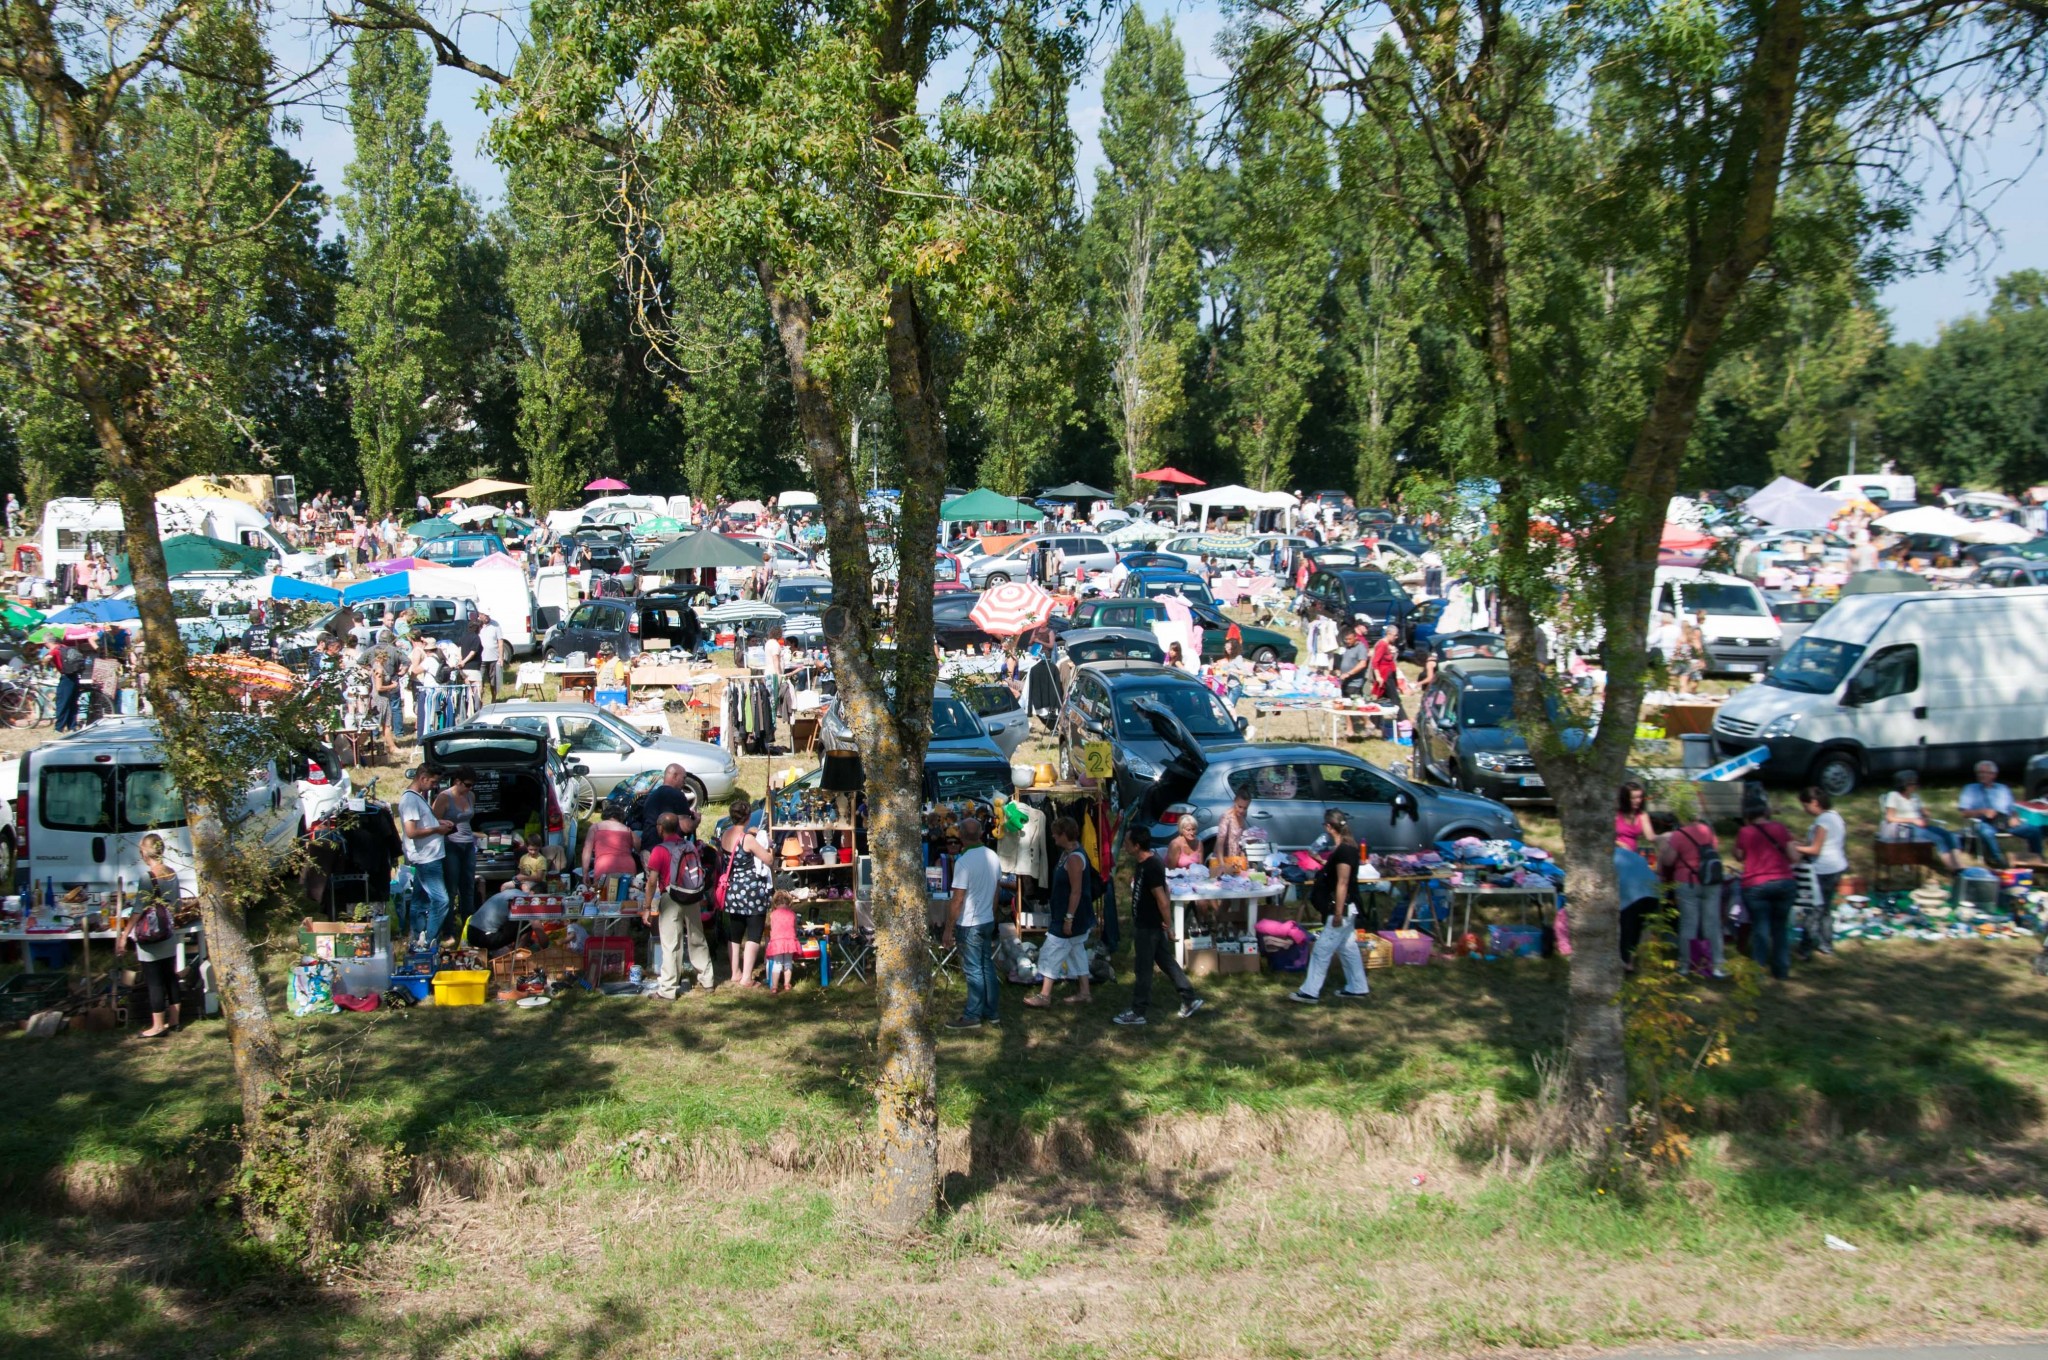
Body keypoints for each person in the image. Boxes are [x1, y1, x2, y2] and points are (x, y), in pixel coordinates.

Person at [1113, 825, 1204, 1025]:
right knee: (1167, 962)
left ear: (1137, 846)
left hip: (1149, 926)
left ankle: (1138, 1011)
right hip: (1147, 924)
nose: (1125, 846)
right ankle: (1189, 998)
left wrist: (1168, 926)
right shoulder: (1145, 862)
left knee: (1143, 969)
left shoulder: (1152, 865)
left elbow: (1163, 899)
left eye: (1127, 843)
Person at [1288, 810, 1372, 1003]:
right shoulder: (1345, 849)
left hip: (1342, 908)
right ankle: (1357, 986)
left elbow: (1342, 883)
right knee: (1347, 948)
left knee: (1321, 950)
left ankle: (1310, 991)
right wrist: (1321, 861)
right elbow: (1338, 872)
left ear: (1328, 827)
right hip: (1347, 908)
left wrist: (1337, 913)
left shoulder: (1344, 851)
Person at [117, 833, 184, 1037]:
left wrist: (124, 935)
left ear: (145, 852)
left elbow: (138, 909)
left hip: (151, 935)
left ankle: (157, 1026)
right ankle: (174, 1021)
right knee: (170, 977)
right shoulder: (171, 873)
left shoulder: (148, 877)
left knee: (154, 981)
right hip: (168, 932)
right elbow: (178, 904)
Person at [643, 809, 715, 997]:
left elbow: (652, 881)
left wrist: (647, 906)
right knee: (697, 937)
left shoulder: (659, 850)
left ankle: (668, 989)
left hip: (671, 897)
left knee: (671, 943)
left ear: (660, 828)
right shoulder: (689, 846)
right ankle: (707, 979)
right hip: (692, 895)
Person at [1026, 818, 1094, 1008]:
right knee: (1077, 951)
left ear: (1064, 835)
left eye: (1056, 833)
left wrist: (1069, 919)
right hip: (1068, 913)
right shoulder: (1068, 853)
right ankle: (1085, 992)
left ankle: (1045, 995)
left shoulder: (1074, 859)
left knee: (1051, 951)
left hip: (1071, 915)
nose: (1053, 836)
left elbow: (1076, 891)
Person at [942, 817, 1002, 1030]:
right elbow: (997, 890)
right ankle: (991, 1011)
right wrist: (992, 914)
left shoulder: (964, 862)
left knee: (974, 970)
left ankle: (973, 1014)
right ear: (980, 834)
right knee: (986, 967)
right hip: (986, 918)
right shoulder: (992, 856)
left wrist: (948, 929)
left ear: (961, 837)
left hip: (970, 922)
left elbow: (957, 899)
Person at [1658, 807, 1727, 978]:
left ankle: (1685, 965)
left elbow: (1668, 860)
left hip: (1687, 882)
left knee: (1689, 923)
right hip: (1710, 880)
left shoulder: (1679, 835)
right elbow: (1715, 850)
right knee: (1712, 923)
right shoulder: (1707, 830)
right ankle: (1717, 965)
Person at [1736, 797, 1800, 981]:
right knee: (1780, 927)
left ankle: (1758, 971)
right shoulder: (1780, 828)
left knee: (1760, 927)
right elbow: (1793, 856)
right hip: (1784, 882)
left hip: (1756, 885)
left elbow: (1739, 856)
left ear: (1747, 814)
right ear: (1765, 812)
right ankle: (1781, 969)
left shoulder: (1744, 832)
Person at [398, 765, 454, 950]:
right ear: (422, 777)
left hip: (430, 856)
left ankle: (417, 939)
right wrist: (437, 829)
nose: (434, 786)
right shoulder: (410, 800)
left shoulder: (418, 798)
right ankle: (430, 940)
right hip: (426, 859)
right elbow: (412, 831)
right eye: (433, 782)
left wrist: (438, 823)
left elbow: (423, 824)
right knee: (441, 900)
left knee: (420, 901)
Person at [719, 810, 774, 986]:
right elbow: (767, 859)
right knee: (754, 934)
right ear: (748, 817)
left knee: (735, 933)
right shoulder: (747, 840)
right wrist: (770, 848)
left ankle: (735, 972)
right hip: (752, 892)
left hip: (733, 891)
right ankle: (746, 978)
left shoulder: (725, 835)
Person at [1793, 787, 1847, 959]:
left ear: (1814, 803)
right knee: (1825, 909)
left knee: (1813, 910)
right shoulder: (1835, 817)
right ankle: (1826, 944)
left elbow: (1815, 849)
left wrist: (1795, 847)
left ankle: (1805, 949)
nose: (1804, 809)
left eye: (1805, 805)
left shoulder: (1822, 821)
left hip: (1822, 870)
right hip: (1836, 866)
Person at [1958, 760, 2046, 865]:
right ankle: (1999, 860)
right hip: (1983, 821)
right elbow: (1964, 813)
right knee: (1986, 832)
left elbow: (2012, 809)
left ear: (1994, 775)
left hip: (2005, 821)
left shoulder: (2002, 789)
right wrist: (1982, 811)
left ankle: (2037, 859)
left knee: (2034, 830)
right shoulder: (1970, 789)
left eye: (1986, 773)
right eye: (1980, 773)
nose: (1982, 775)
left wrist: (2014, 817)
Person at [1879, 768, 1962, 872]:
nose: (1915, 786)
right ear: (1904, 785)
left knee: (1951, 836)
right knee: (1938, 839)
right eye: (1912, 784)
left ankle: (1958, 864)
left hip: (1920, 825)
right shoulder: (1893, 796)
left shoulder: (1915, 796)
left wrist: (1926, 817)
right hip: (1905, 828)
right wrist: (1913, 820)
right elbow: (1890, 817)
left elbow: (1924, 811)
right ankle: (1953, 869)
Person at [1616, 823, 1667, 971]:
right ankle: (1632, 961)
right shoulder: (1632, 855)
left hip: (1633, 895)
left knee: (1627, 928)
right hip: (1653, 893)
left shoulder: (1608, 859)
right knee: (1637, 927)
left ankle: (1625, 963)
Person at [433, 766, 480, 930]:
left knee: (468, 886)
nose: (470, 788)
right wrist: (443, 823)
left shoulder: (470, 796)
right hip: (451, 844)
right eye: (467, 785)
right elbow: (432, 820)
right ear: (457, 782)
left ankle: (469, 927)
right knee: (451, 888)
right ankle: (448, 929)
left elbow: (468, 818)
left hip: (468, 844)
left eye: (472, 785)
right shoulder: (444, 797)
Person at [638, 764, 696, 851]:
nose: (684, 782)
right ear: (675, 776)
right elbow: (686, 827)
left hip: (647, 848)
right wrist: (697, 820)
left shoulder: (652, 796)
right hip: (666, 851)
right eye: (683, 778)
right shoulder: (677, 795)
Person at [582, 804, 641, 883]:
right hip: (628, 868)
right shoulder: (627, 830)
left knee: (603, 894)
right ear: (621, 817)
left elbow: (587, 850)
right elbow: (639, 847)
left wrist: (585, 872)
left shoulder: (595, 827)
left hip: (604, 868)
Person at [51, 633, 93, 732]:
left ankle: (59, 727)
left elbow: (47, 657)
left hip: (66, 678)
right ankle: (72, 726)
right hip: (75, 676)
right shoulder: (66, 647)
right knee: (73, 703)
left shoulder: (55, 650)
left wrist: (44, 661)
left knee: (63, 702)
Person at [464, 886, 518, 953]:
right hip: (483, 936)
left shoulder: (508, 893)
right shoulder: (522, 899)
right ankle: (516, 954)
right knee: (524, 924)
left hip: (471, 931)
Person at [765, 891, 800, 993]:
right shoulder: (792, 914)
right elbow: (795, 928)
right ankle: (787, 984)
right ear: (789, 902)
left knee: (777, 963)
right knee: (788, 963)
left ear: (775, 903)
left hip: (777, 942)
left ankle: (774, 987)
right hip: (789, 941)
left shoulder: (773, 915)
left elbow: (771, 927)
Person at [1214, 784, 1251, 863]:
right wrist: (1222, 864)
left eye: (1245, 808)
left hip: (1236, 858)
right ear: (1234, 801)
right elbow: (1219, 843)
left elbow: (1241, 837)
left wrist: (1249, 840)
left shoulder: (1243, 814)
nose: (1242, 810)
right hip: (1223, 858)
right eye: (1239, 806)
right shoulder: (1226, 817)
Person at [1615, 782, 1654, 854]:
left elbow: (1651, 837)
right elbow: (1605, 838)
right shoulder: (1616, 814)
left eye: (1640, 797)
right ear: (1625, 799)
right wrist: (1619, 844)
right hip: (1616, 854)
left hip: (1632, 856)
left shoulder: (1642, 815)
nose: (1638, 801)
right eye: (1633, 798)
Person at [1335, 625, 1372, 697]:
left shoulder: (1361, 648)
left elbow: (1362, 664)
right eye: (1346, 639)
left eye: (1350, 639)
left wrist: (1348, 673)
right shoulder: (1346, 647)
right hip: (1344, 682)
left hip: (1354, 684)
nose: (1347, 641)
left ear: (1356, 637)